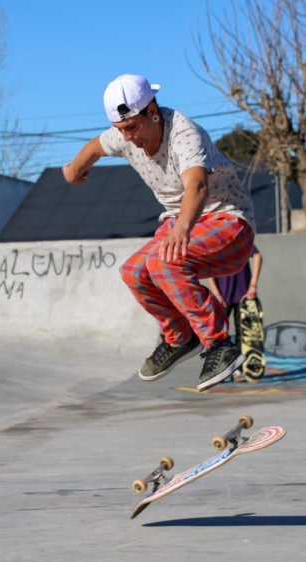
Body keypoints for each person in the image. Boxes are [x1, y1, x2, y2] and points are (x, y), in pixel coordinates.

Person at [62, 74, 256, 392]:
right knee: (134, 272)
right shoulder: (123, 135)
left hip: (229, 222)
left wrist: (182, 227)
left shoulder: (184, 133)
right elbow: (94, 148)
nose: (127, 138)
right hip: (182, 224)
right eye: (120, 129)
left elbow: (198, 185)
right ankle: (179, 337)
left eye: (131, 128)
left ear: (152, 110)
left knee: (165, 261)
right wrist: (73, 171)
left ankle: (220, 344)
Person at [204, 245, 263, 347]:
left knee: (245, 338)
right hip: (222, 296)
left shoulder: (239, 238)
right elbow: (207, 267)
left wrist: (253, 285)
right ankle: (223, 354)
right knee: (218, 335)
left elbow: (258, 256)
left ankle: (241, 355)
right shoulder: (214, 242)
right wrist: (216, 292)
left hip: (244, 295)